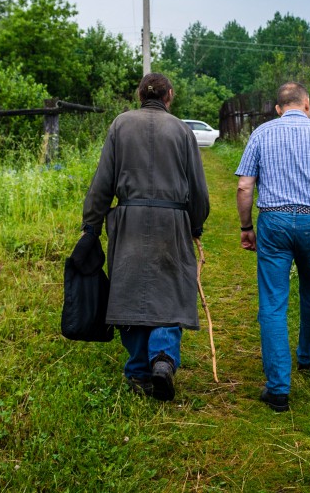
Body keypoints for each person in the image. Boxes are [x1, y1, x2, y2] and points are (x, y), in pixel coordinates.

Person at [81, 73, 210, 401]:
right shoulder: (182, 130)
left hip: (130, 222)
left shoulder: (120, 126)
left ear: (140, 96)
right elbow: (198, 189)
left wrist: (91, 227)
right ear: (170, 94)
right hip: (172, 222)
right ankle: (163, 359)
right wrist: (195, 224)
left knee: (132, 290)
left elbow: (102, 182)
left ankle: (139, 369)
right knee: (169, 289)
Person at [235, 81, 310, 412]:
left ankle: (277, 390)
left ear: (278, 108)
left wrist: (246, 227)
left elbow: (245, 186)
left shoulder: (261, 134)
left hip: (273, 223)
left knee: (273, 302)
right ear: (308, 105)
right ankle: (306, 357)